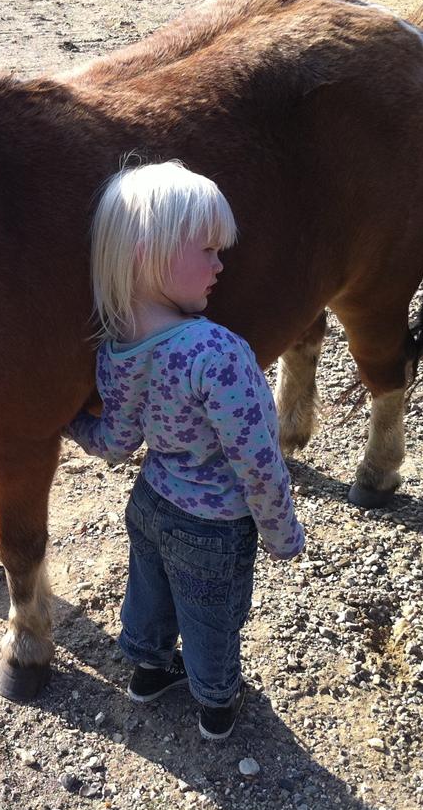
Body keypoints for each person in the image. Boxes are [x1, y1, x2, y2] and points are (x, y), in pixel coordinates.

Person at [64, 161, 305, 741]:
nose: (221, 265)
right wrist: (282, 532)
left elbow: (115, 443)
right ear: (149, 253)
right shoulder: (217, 352)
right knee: (210, 617)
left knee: (150, 594)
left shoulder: (116, 349)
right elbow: (257, 460)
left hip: (151, 503)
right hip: (214, 525)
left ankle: (148, 672)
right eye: (208, 250)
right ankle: (217, 702)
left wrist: (67, 421)